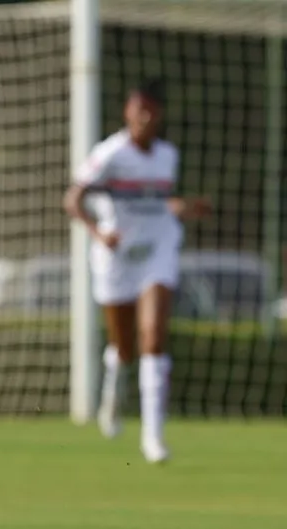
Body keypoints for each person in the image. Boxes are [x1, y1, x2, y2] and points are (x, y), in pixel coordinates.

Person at [64, 78, 210, 463]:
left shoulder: (167, 156)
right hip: (117, 257)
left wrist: (183, 207)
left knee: (154, 335)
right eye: (137, 109)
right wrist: (100, 234)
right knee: (124, 347)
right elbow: (72, 200)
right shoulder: (109, 153)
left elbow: (158, 203)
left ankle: (152, 437)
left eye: (150, 111)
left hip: (158, 251)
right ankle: (114, 385)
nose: (144, 117)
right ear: (128, 112)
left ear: (158, 115)